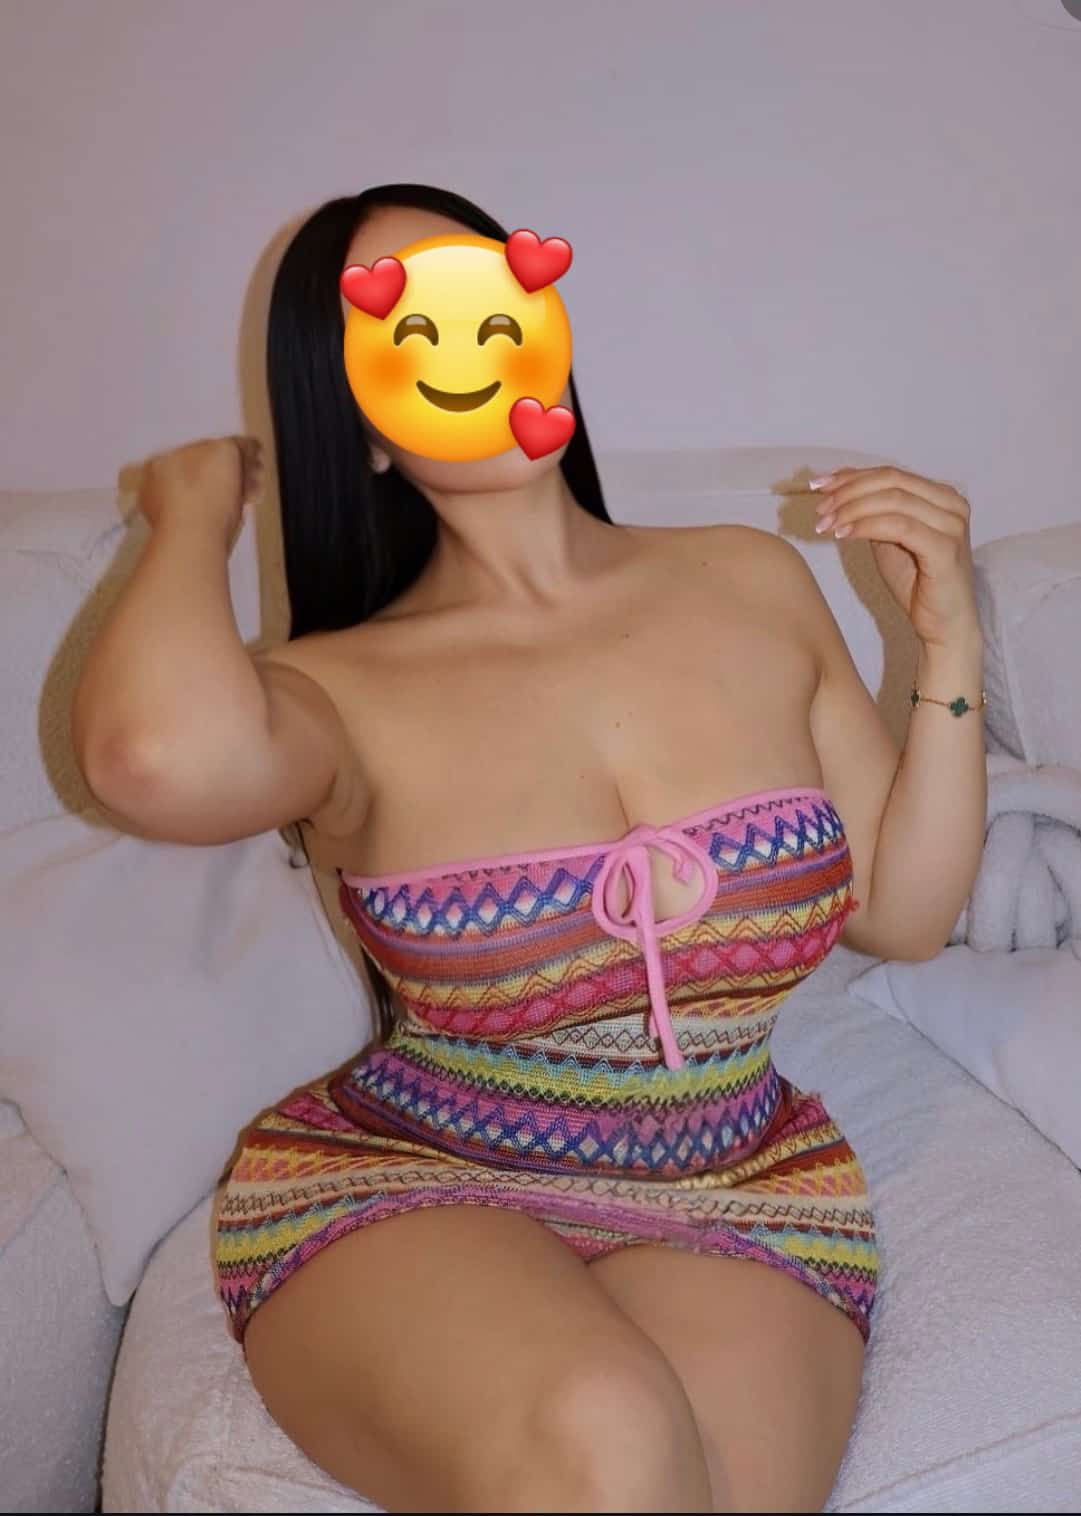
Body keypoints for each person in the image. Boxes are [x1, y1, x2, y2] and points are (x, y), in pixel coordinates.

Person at [71, 183, 987, 1513]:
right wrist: (191, 515)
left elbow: (903, 915)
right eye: (404, 326)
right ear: (356, 422)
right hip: (416, 1178)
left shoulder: (750, 579)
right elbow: (152, 761)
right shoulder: (337, 689)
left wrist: (949, 642)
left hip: (738, 1177)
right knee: (605, 1436)